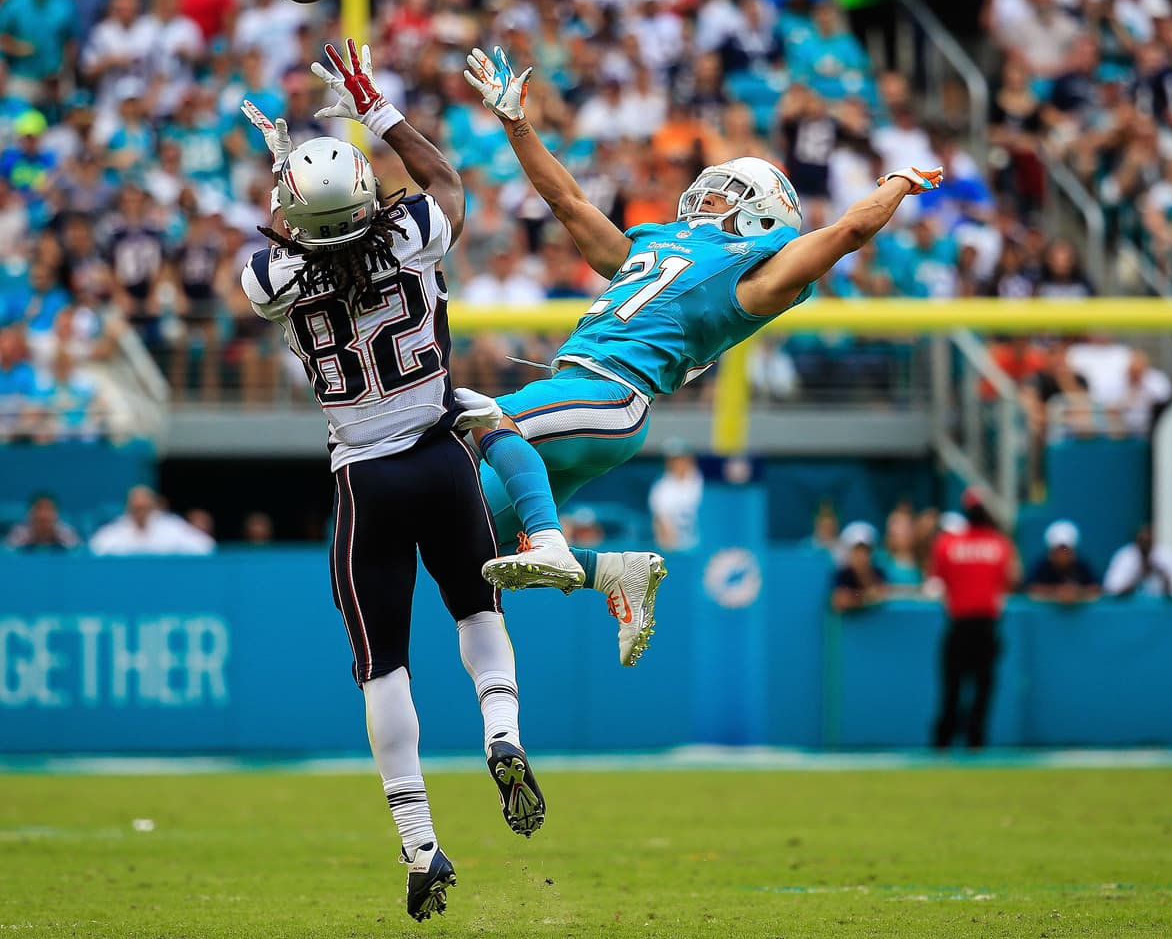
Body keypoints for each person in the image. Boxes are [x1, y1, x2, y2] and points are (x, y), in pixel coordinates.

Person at [462, 45, 942, 661]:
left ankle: (553, 541)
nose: (709, 197)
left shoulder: (756, 276)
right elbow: (570, 205)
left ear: (763, 218)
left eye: (729, 193)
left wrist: (896, 182)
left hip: (610, 395)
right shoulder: (653, 244)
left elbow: (847, 232)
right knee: (470, 540)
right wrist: (517, 125)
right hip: (578, 398)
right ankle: (610, 571)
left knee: (474, 417)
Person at [237, 39, 555, 922]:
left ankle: (421, 845)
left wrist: (287, 182)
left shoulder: (269, 276)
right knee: (480, 612)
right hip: (440, 458)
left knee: (384, 666)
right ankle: (503, 733)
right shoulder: (414, 232)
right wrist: (372, 108)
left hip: (365, 478)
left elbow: (289, 249)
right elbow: (442, 179)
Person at [927, 490, 1018, 750]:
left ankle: (943, 743)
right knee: (982, 690)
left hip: (959, 625)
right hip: (986, 627)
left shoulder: (948, 544)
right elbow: (1008, 582)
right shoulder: (1000, 544)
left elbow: (939, 581)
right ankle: (975, 742)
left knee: (952, 688)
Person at [88, 484, 215, 556]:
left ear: (153, 507)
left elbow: (205, 546)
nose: (140, 512)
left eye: (144, 508)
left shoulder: (171, 527)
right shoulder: (116, 530)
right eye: (136, 508)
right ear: (128, 508)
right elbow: (95, 549)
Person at [1025, 519, 1102, 604]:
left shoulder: (1082, 566)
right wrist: (1057, 592)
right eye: (1058, 550)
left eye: (1065, 550)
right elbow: (1030, 589)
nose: (1062, 555)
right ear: (1050, 552)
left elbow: (1097, 588)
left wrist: (1077, 592)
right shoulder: (1041, 566)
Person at [648, 439, 703, 552]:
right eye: (672, 460)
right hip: (679, 550)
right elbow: (662, 525)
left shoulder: (704, 481)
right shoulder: (661, 489)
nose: (676, 464)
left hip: (706, 546)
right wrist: (674, 551)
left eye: (680, 459)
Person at [1103, 524, 1172, 599]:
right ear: (1136, 541)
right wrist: (1138, 575)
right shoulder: (1125, 556)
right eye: (1142, 541)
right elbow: (1111, 590)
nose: (1146, 546)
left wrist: (1160, 572)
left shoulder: (1168, 554)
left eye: (1148, 542)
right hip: (1131, 610)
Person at [830, 520, 886, 611]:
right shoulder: (843, 575)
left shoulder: (878, 572)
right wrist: (867, 597)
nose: (861, 556)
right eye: (857, 550)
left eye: (866, 551)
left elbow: (884, 594)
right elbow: (842, 601)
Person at [4, 493, 80, 551]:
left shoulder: (67, 533)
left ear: (57, 514)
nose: (43, 515)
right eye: (39, 508)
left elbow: (78, 553)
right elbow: (7, 554)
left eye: (49, 509)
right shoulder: (19, 534)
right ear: (30, 513)